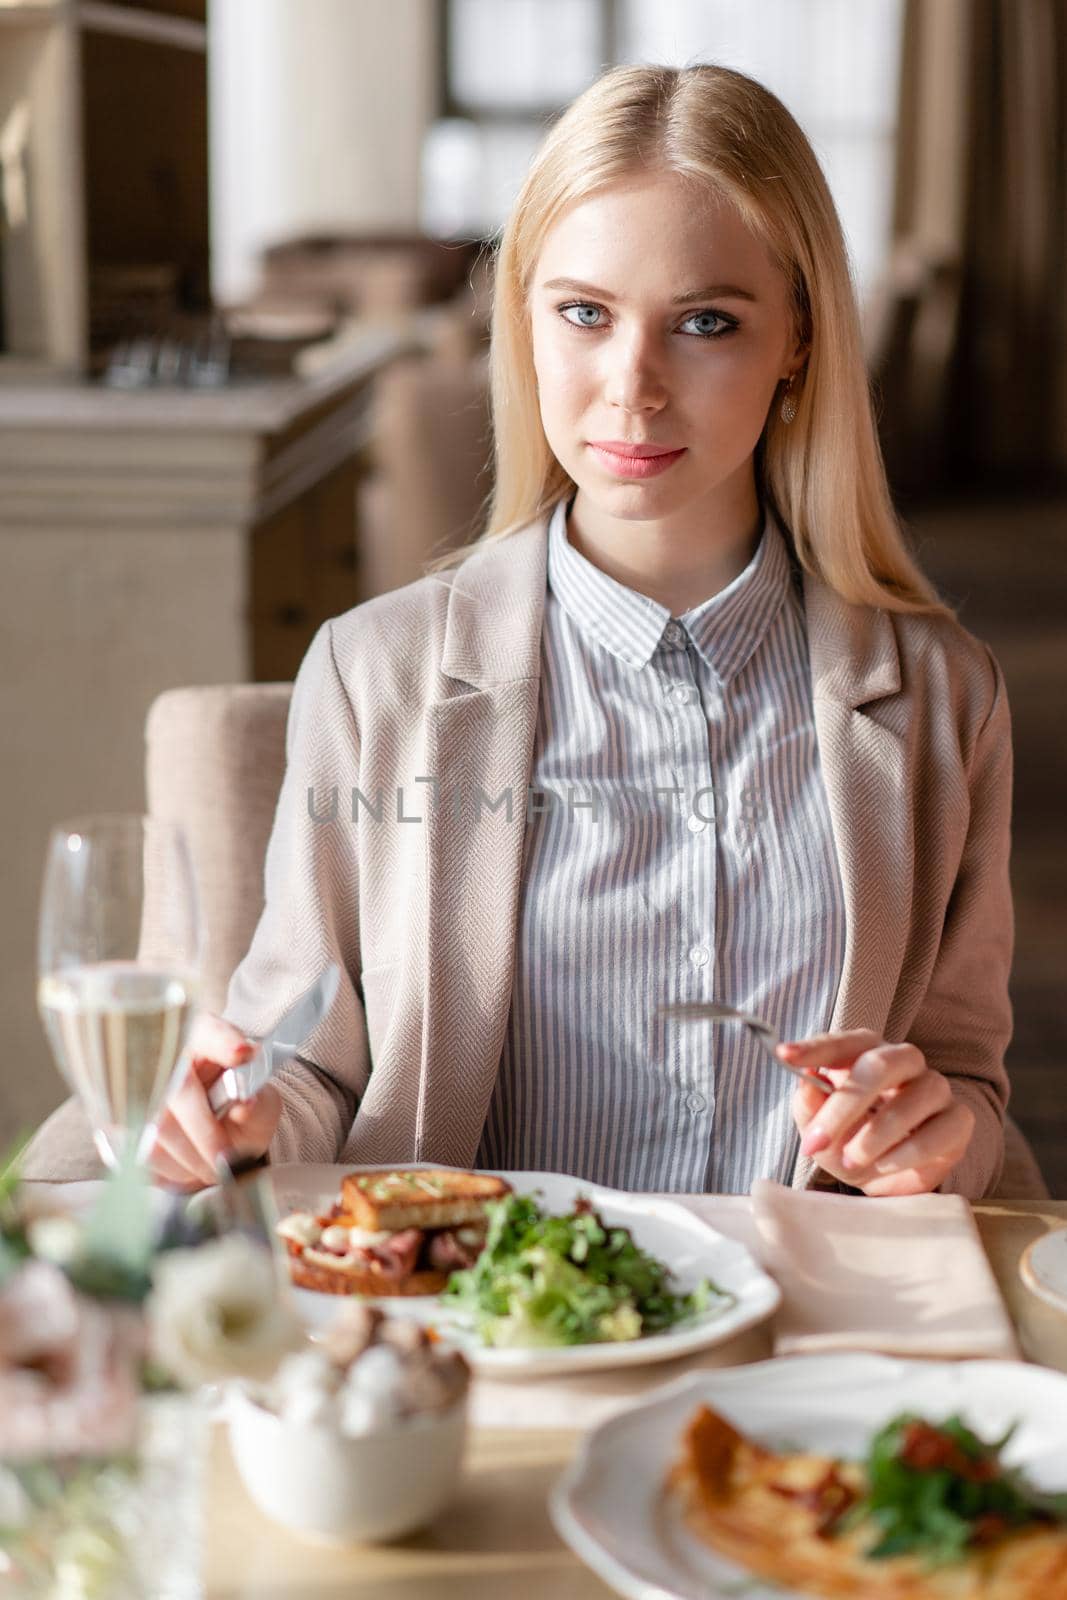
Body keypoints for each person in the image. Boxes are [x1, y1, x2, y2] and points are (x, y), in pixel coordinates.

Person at [149, 63, 1013, 1200]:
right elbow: (305, 1060)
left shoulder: (939, 695)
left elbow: (965, 1084)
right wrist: (242, 1117)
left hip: (799, 1338)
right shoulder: (372, 676)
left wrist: (936, 1132)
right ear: (525, 323)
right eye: (585, 314)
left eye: (705, 322)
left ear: (796, 338)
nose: (631, 387)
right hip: (471, 1335)